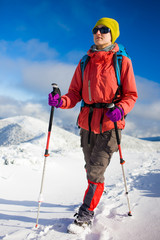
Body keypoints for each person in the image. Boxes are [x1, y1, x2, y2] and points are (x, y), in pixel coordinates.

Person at [48, 17, 138, 227]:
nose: (99, 33)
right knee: (90, 169)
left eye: (104, 30)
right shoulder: (84, 62)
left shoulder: (122, 61)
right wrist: (60, 101)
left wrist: (121, 109)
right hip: (87, 125)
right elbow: (74, 94)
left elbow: (131, 95)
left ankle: (86, 213)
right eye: (96, 29)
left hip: (110, 124)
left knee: (96, 169)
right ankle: (95, 192)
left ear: (112, 34)